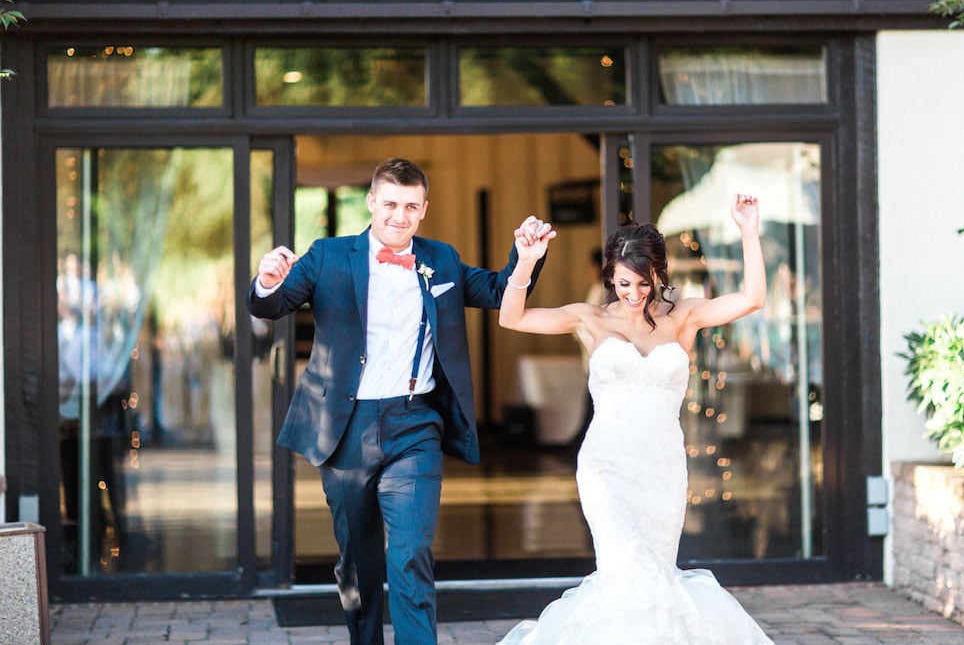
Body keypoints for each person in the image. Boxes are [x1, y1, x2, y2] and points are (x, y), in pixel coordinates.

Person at [246, 157, 554, 645]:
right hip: (345, 428)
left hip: (415, 425)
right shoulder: (328, 256)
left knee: (410, 553)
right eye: (390, 203)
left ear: (424, 209)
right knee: (358, 562)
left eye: (411, 206)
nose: (399, 216)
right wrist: (267, 280)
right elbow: (271, 304)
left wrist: (526, 256)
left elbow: (498, 292)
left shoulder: (442, 259)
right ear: (371, 202)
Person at [497, 194, 772, 644]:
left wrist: (748, 232)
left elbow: (753, 298)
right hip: (606, 468)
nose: (633, 295)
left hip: (662, 471)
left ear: (659, 276)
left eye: (643, 285)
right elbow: (512, 317)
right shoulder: (589, 320)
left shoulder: (684, 317)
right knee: (626, 571)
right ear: (611, 277)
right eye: (624, 284)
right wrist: (526, 261)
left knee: (656, 581)